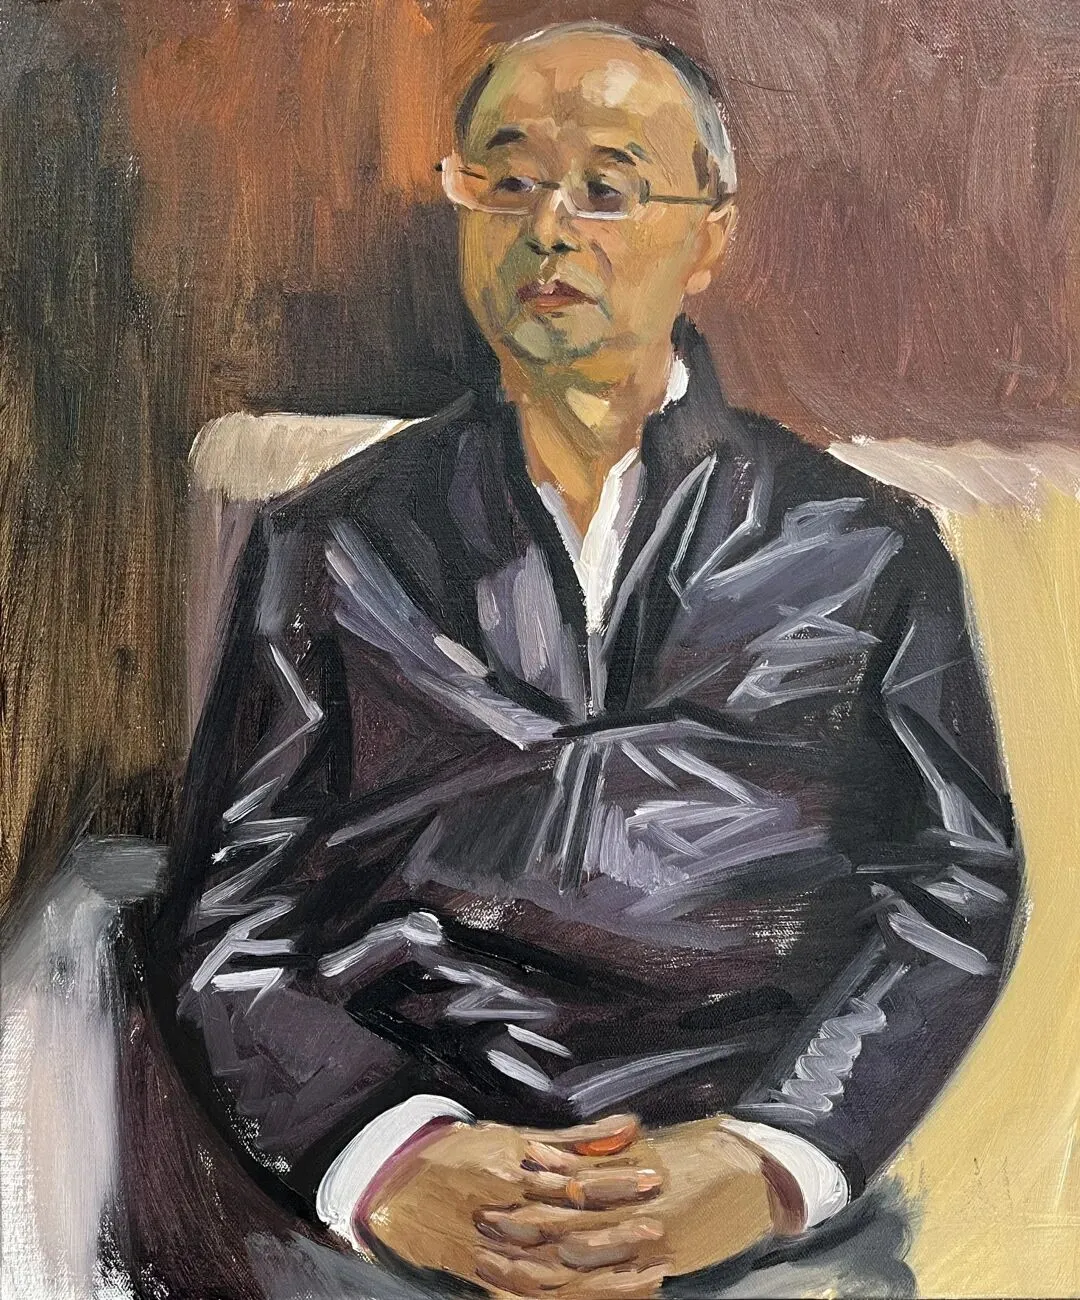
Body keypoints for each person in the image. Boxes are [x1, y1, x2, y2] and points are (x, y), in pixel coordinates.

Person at [153, 21, 1022, 1299]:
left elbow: (954, 893)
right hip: (408, 1168)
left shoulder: (867, 551)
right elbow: (231, 914)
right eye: (507, 181)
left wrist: (771, 1159)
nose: (549, 229)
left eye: (607, 188)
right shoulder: (330, 543)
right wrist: (387, 1157)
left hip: (746, 1186)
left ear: (709, 237)